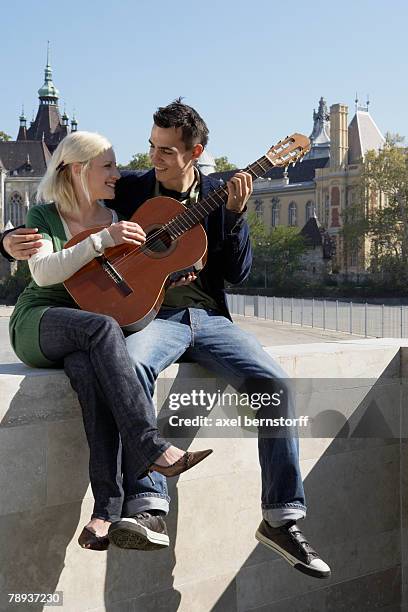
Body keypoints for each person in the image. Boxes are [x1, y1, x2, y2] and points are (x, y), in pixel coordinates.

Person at [2, 101, 331, 578]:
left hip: (210, 318)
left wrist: (236, 217)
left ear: (195, 152)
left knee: (274, 383)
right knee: (128, 365)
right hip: (153, 317)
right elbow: (66, 207)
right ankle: (148, 504)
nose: (152, 157)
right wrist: (7, 240)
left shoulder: (222, 192)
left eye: (166, 151)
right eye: (152, 147)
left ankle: (282, 518)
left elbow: (238, 274)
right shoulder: (132, 188)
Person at [7, 130, 212, 550]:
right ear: (80, 170)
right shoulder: (46, 215)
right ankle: (152, 447)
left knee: (90, 374)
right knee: (102, 329)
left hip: (84, 333)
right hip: (40, 321)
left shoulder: (117, 220)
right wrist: (103, 240)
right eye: (109, 166)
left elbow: (126, 285)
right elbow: (44, 273)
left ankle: (104, 512)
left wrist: (169, 278)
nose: (118, 174)